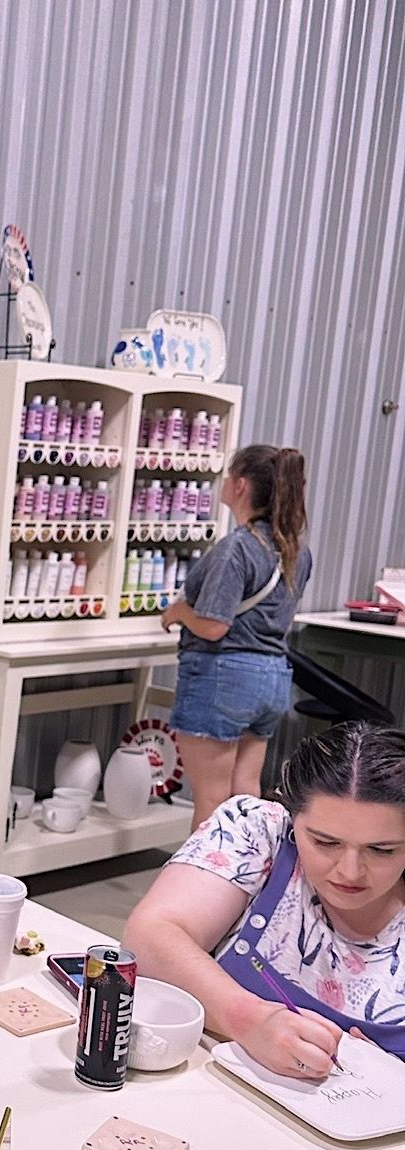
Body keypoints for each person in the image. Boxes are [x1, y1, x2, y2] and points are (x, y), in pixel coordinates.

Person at [124, 721, 405, 1082]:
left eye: (381, 850)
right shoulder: (259, 829)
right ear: (292, 814)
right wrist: (250, 1020)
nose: (350, 871)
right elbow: (149, 936)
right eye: (325, 842)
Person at [160, 444, 312, 829]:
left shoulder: (237, 549)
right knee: (245, 793)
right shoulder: (296, 551)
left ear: (240, 485)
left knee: (210, 800)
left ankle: (204, 870)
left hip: (223, 678)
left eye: (229, 476)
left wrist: (178, 613)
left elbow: (214, 626)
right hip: (272, 678)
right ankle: (247, 867)